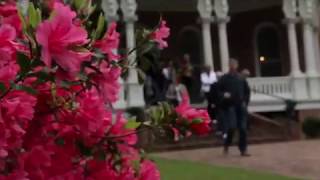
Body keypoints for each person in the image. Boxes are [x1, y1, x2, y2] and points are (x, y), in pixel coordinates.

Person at [219, 59, 250, 157]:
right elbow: (218, 91)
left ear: (237, 66)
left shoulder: (241, 78)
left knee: (243, 128)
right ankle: (226, 144)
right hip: (230, 106)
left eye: (234, 64)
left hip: (240, 106)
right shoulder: (224, 78)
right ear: (228, 65)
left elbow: (247, 92)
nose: (232, 66)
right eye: (231, 64)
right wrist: (224, 94)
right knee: (232, 127)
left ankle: (243, 149)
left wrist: (245, 102)